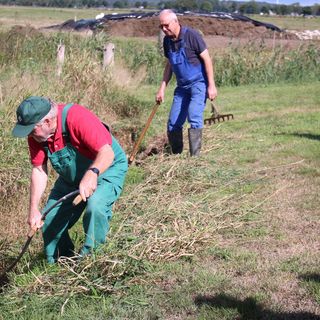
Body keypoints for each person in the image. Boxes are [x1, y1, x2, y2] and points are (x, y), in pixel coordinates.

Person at [12, 96, 128, 263]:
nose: (29, 134)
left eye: (32, 129)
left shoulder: (76, 118)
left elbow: (107, 153)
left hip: (106, 169)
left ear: (47, 121)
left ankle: (91, 262)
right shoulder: (37, 136)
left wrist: (92, 173)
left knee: (95, 207)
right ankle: (62, 264)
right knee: (51, 220)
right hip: (71, 178)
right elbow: (39, 170)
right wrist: (34, 208)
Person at [156, 9, 218, 156]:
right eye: (161, 27)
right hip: (182, 87)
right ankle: (176, 156)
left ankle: (194, 159)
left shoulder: (192, 36)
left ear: (175, 21)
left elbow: (207, 59)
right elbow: (169, 65)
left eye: (166, 25)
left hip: (198, 84)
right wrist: (162, 89)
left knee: (194, 116)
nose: (164, 29)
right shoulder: (167, 41)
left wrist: (212, 85)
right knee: (173, 123)